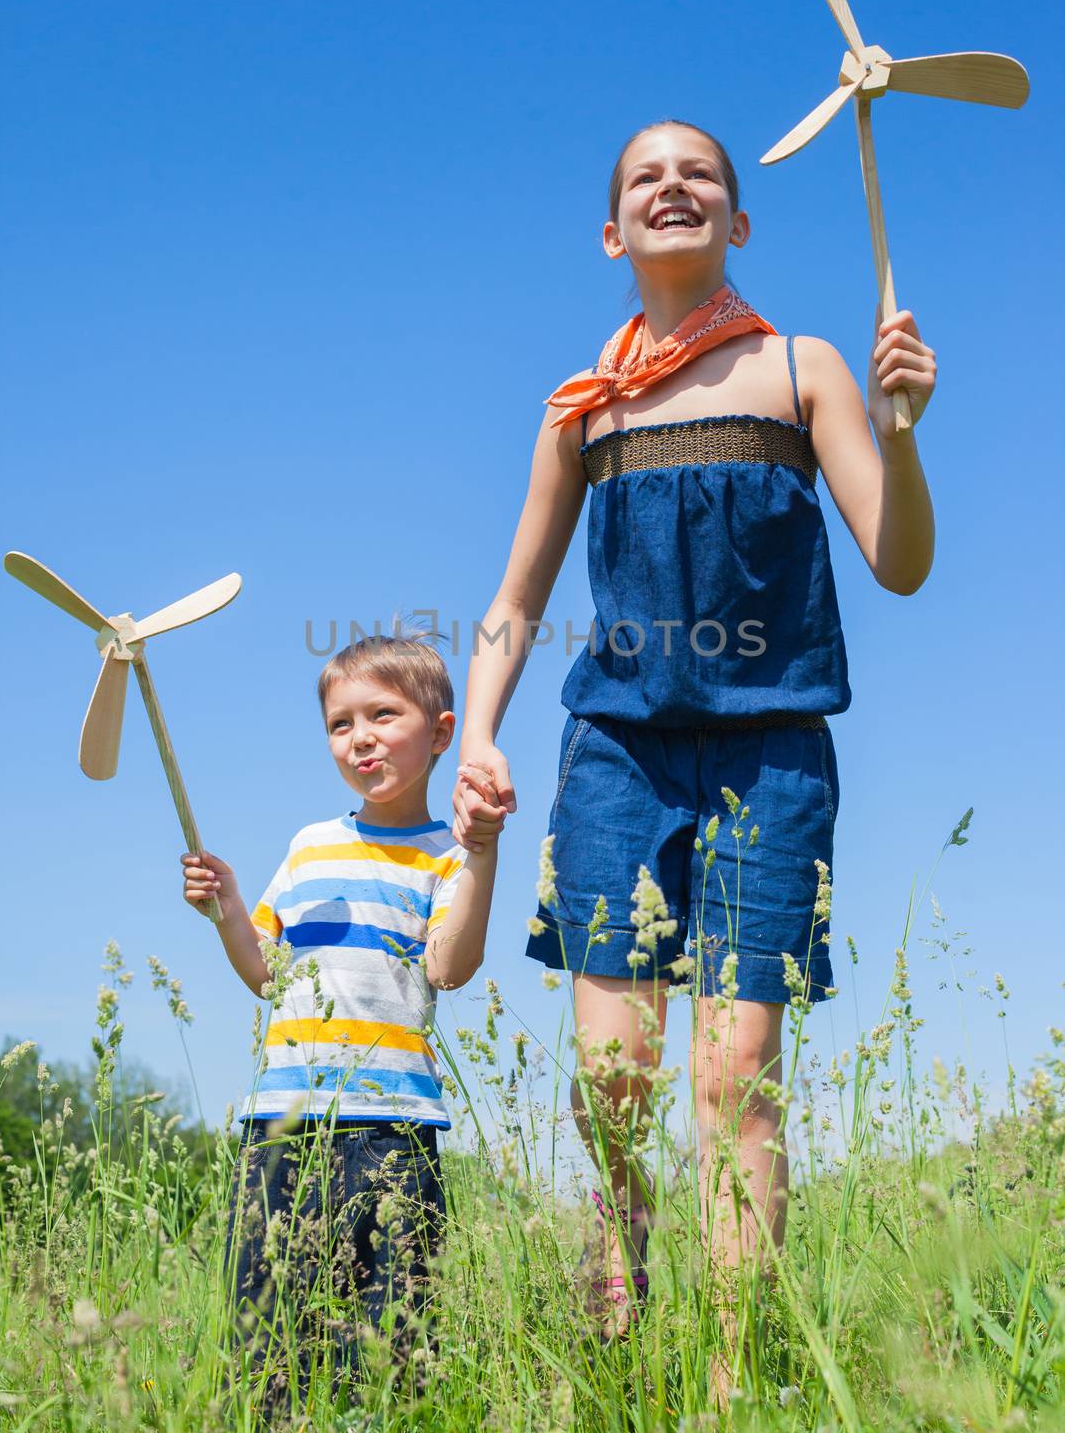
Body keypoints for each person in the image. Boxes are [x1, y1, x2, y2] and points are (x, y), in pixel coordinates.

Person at [451, 119, 936, 1357]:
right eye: (644, 177)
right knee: (612, 1092)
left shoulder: (799, 368)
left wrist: (902, 430)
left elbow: (897, 563)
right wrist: (480, 735)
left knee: (734, 1083)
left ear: (737, 220)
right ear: (613, 231)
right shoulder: (582, 411)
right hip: (615, 752)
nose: (674, 186)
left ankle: (731, 1376)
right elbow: (514, 603)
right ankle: (615, 1353)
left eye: (699, 174)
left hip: (767, 752)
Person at [181, 631, 503, 1407]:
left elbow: (450, 969)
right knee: (265, 1318)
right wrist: (227, 913)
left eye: (382, 715)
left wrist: (484, 855)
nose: (359, 737)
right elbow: (266, 973)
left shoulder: (448, 853)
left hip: (393, 1125)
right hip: (285, 1120)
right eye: (339, 723)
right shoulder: (309, 846)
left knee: (394, 1326)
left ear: (440, 733)